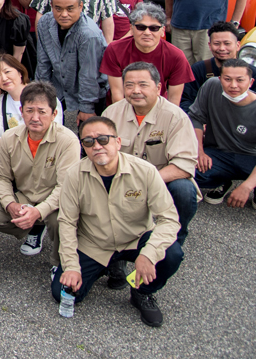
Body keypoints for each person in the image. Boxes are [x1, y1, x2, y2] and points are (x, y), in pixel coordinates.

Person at [52, 116, 183, 328]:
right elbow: (67, 222)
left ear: (118, 142)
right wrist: (71, 266)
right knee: (63, 294)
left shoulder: (146, 171)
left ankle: (142, 292)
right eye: (88, 142)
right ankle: (108, 265)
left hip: (135, 239)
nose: (96, 146)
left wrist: (148, 255)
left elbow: (169, 219)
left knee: (172, 254)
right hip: (95, 244)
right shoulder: (74, 175)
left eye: (103, 139)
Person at [103, 62, 199, 246]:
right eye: (129, 85)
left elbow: (184, 166)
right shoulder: (111, 113)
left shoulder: (175, 117)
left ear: (158, 87)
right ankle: (115, 248)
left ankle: (174, 238)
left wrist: (146, 181)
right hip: (121, 178)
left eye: (143, 84)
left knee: (184, 190)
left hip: (161, 180)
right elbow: (99, 155)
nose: (135, 90)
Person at [0, 81, 79, 259]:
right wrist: (10, 204)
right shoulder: (10, 137)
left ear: (54, 113)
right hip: (25, 197)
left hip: (56, 202)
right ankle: (33, 227)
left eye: (42, 112)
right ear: (21, 111)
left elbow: (65, 187)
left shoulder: (68, 141)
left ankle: (60, 261)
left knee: (61, 221)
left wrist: (39, 211)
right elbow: (2, 177)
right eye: (29, 110)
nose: (35, 117)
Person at [190, 60, 256, 212]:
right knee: (186, 171)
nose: (233, 85)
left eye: (240, 80)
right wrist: (199, 151)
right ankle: (224, 181)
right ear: (220, 79)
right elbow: (196, 117)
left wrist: (246, 186)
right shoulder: (211, 86)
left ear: (251, 82)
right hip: (219, 153)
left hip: (252, 158)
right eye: (227, 79)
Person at [35, 0, 107, 125]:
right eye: (58, 8)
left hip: (87, 96)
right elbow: (43, 64)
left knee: (79, 138)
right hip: (59, 91)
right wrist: (41, 97)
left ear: (80, 7)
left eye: (70, 9)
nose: (64, 14)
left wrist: (86, 108)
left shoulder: (88, 34)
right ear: (52, 6)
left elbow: (89, 75)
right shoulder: (44, 23)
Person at [100, 2, 193, 107]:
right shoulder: (115, 50)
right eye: (141, 27)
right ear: (131, 29)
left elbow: (174, 100)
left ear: (163, 31)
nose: (147, 33)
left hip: (158, 108)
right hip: (123, 107)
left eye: (154, 28)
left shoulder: (176, 56)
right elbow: (117, 95)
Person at [181, 21, 256, 111]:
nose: (222, 48)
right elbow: (185, 102)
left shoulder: (254, 74)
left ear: (238, 45)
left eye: (227, 43)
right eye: (217, 43)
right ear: (209, 46)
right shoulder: (198, 70)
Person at [0, 54, 64, 144]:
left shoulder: (46, 97)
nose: (4, 78)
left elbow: (56, 132)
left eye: (7, 72)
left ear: (20, 72)